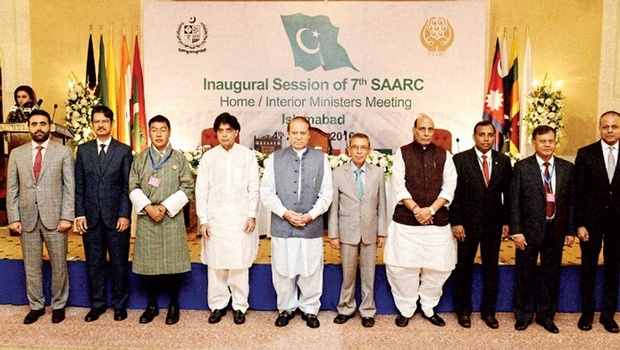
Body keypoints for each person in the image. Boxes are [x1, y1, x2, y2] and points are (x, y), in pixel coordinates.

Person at [384, 114, 457, 328]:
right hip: (407, 223)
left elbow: (450, 186)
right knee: (402, 268)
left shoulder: (445, 155)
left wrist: (431, 210)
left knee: (439, 268)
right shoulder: (402, 153)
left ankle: (428, 307)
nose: (426, 133)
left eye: (430, 129)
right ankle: (406, 308)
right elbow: (398, 185)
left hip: (437, 223)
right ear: (413, 130)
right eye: (422, 129)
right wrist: (417, 210)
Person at [260, 116, 332, 329]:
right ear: (288, 134)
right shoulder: (274, 158)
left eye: (303, 133)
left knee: (311, 269)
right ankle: (286, 307)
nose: (299, 137)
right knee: (283, 268)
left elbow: (326, 194)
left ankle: (310, 308)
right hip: (283, 225)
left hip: (311, 225)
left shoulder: (322, 159)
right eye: (294, 133)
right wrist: (285, 213)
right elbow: (267, 193)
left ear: (309, 135)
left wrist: (311, 215)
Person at [6, 109, 75, 324]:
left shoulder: (62, 152)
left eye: (43, 124)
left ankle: (58, 305)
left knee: (59, 264)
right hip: (27, 218)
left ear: (50, 126)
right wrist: (14, 218)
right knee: (32, 265)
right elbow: (12, 189)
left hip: (55, 218)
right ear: (29, 127)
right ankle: (35, 306)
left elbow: (69, 187)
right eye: (34, 124)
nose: (38, 128)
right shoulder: (17, 154)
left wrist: (67, 217)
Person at [129, 115, 195, 325]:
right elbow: (133, 186)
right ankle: (152, 305)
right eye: (154, 130)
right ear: (149, 132)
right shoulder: (140, 159)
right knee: (149, 266)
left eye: (163, 129)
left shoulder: (179, 159)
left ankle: (174, 305)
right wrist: (148, 207)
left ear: (169, 132)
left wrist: (165, 208)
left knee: (173, 266)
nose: (158, 134)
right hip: (148, 218)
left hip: (170, 218)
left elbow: (188, 188)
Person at [195, 112, 260, 325]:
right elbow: (201, 190)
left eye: (229, 130)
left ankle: (240, 306)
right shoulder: (209, 157)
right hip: (216, 220)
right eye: (220, 131)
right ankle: (217, 305)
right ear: (216, 134)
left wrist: (252, 214)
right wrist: (203, 219)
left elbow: (254, 188)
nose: (224, 135)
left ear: (236, 132)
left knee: (239, 265)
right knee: (216, 266)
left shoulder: (247, 155)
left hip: (241, 219)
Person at [510, 125, 575, 334]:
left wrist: (570, 230)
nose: (547, 145)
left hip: (555, 229)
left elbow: (571, 202)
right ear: (534, 143)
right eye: (542, 141)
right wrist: (516, 231)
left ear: (555, 142)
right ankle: (523, 315)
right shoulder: (522, 167)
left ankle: (546, 316)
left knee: (551, 275)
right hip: (528, 232)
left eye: (550, 141)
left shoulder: (566, 167)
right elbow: (514, 202)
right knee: (525, 274)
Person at [450, 121, 511, 329]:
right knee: (464, 269)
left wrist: (506, 221)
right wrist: (456, 222)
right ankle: (464, 312)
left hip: (493, 225)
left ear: (495, 137)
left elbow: (508, 195)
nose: (486, 139)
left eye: (490, 135)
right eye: (481, 135)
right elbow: (454, 195)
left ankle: (489, 312)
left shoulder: (503, 161)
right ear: (474, 136)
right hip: (466, 226)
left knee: (491, 270)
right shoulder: (460, 160)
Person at [74, 105, 133, 322]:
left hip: (117, 218)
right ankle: (97, 304)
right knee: (94, 263)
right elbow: (79, 186)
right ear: (92, 124)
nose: (100, 125)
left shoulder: (124, 151)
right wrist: (79, 214)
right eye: (96, 121)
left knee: (119, 263)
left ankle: (120, 304)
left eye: (104, 121)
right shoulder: (83, 150)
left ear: (112, 123)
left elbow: (128, 187)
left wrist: (125, 214)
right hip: (90, 218)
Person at [328, 133, 387, 328]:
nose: (359, 151)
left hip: (370, 231)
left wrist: (382, 232)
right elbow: (334, 208)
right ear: (348, 150)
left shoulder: (377, 173)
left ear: (369, 150)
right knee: (348, 273)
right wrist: (334, 235)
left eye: (363, 147)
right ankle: (345, 307)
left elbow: (382, 205)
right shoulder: (337, 173)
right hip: (347, 232)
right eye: (355, 147)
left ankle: (368, 310)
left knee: (369, 273)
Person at [574, 110, 620, 333]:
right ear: (599, 128)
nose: (610, 130)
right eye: (605, 126)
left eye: (614, 126)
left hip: (618, 223)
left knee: (613, 269)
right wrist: (579, 223)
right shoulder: (585, 154)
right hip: (590, 224)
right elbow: (578, 192)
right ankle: (587, 314)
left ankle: (608, 315)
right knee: (588, 268)